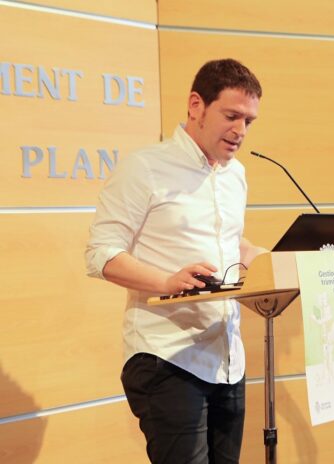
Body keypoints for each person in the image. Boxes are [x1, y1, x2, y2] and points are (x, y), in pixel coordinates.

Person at [85, 59, 267, 464]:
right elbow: (101, 253)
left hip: (227, 359)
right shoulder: (145, 167)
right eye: (232, 116)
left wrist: (277, 260)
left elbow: (230, 244)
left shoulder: (235, 175)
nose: (241, 130)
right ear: (196, 105)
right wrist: (167, 281)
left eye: (249, 121)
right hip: (166, 357)